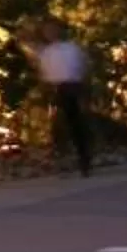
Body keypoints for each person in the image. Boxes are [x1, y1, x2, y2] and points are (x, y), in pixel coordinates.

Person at [34, 19, 94, 176]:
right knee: (61, 125)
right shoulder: (46, 52)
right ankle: (67, 157)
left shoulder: (71, 48)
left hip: (73, 87)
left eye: (52, 29)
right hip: (57, 89)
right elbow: (44, 74)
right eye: (47, 31)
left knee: (76, 123)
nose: (50, 33)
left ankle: (84, 157)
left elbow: (83, 68)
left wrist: (84, 89)